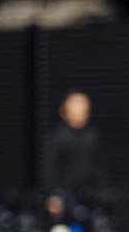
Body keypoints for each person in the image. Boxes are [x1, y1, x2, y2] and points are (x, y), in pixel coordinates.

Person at [43, 90, 103, 222]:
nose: (80, 109)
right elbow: (51, 168)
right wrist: (54, 195)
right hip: (65, 197)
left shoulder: (93, 135)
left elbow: (99, 168)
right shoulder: (58, 137)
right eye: (76, 105)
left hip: (90, 197)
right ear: (65, 110)